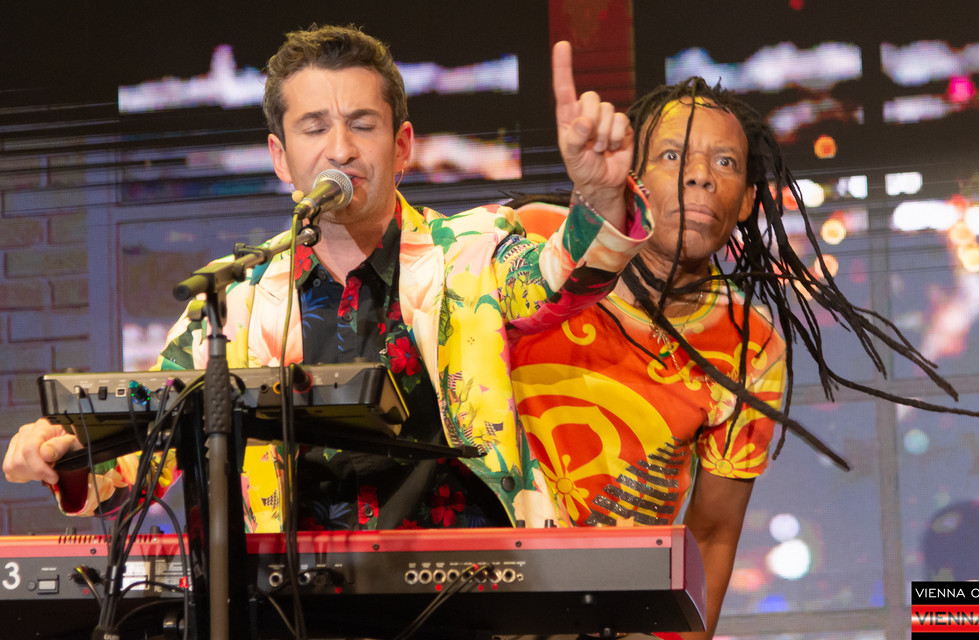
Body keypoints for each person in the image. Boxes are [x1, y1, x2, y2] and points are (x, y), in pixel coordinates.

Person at [2, 24, 651, 536]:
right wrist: (62, 454)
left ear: (402, 145)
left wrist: (599, 196)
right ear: (281, 156)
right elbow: (139, 460)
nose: (340, 148)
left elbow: (559, 277)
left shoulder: (470, 254)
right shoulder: (238, 301)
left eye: (362, 125)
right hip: (294, 610)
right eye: (314, 128)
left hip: (471, 595)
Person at [508, 78, 979, 639]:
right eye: (672, 155)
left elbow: (711, 535)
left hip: (613, 621)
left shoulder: (749, 343)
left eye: (725, 162)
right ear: (631, 175)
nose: (700, 175)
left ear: (748, 201)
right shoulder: (536, 239)